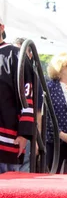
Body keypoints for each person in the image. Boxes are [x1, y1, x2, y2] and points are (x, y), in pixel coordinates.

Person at [0, 17, 34, 173]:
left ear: (1, 27)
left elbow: (28, 96)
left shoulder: (16, 56)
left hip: (8, 140)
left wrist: (24, 134)